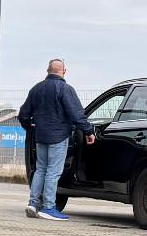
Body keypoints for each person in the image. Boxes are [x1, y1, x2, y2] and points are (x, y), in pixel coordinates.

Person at [18, 59, 95, 221]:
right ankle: (48, 207)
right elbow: (76, 114)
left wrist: (29, 126)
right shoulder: (65, 89)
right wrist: (88, 131)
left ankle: (32, 203)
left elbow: (23, 114)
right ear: (64, 71)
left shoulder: (36, 89)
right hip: (58, 137)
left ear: (48, 70)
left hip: (40, 136)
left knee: (40, 169)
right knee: (53, 172)